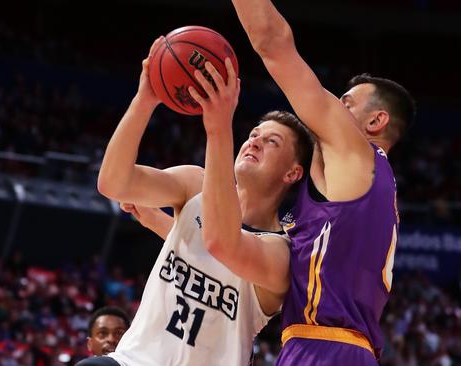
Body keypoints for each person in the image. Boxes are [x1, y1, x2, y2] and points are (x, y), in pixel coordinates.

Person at [78, 36, 313, 366]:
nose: (255, 142)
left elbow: (222, 242)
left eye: (271, 141)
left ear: (292, 173)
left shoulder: (281, 253)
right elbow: (113, 183)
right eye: (253, 135)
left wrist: (219, 129)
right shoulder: (194, 183)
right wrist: (145, 98)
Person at [230, 0, 416, 364]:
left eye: (345, 104)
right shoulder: (368, 189)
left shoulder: (357, 152)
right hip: (343, 349)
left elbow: (272, 42)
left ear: (375, 122)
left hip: (323, 348)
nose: (330, 110)